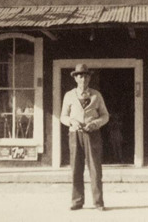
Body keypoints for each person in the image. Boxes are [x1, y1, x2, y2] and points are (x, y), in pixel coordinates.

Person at [61, 64, 109, 211]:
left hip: (92, 134)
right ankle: (77, 201)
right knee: (76, 168)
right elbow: (63, 116)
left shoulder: (96, 95)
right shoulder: (69, 95)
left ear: (89, 78)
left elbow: (105, 115)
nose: (83, 79)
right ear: (75, 78)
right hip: (75, 134)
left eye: (86, 76)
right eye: (80, 76)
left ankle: (98, 202)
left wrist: (95, 123)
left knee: (95, 168)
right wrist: (71, 121)